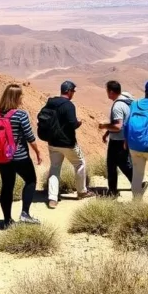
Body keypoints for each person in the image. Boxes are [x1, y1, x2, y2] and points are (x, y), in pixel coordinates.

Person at [0, 84, 43, 228]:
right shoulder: (20, 114)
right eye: (21, 96)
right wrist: (38, 152)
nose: (22, 98)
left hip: (2, 157)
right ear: (16, 97)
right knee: (31, 180)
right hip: (19, 156)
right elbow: (29, 136)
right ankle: (25, 214)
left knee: (7, 186)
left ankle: (7, 220)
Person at [40, 80, 94, 208]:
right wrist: (78, 123)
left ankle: (52, 198)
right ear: (69, 91)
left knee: (55, 168)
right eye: (73, 91)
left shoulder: (50, 103)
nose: (73, 93)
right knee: (80, 163)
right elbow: (72, 124)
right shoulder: (69, 105)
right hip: (67, 143)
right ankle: (82, 191)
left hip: (52, 142)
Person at [98, 80, 136, 196]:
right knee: (116, 164)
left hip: (118, 141)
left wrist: (104, 126)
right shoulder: (126, 99)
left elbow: (118, 126)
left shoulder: (117, 106)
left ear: (111, 91)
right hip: (125, 138)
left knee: (119, 165)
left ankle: (136, 184)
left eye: (107, 91)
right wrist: (107, 133)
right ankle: (115, 189)